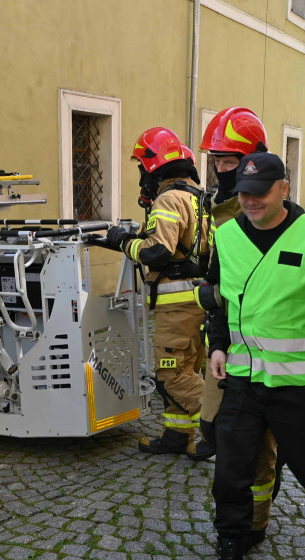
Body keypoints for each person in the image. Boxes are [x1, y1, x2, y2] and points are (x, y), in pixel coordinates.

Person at [190, 152, 305, 560]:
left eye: (260, 193)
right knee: (230, 475)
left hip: (296, 387)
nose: (250, 202)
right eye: (243, 194)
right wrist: (218, 346)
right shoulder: (226, 237)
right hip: (242, 383)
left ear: (284, 187)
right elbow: (217, 300)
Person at [193, 107, 279, 553]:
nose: (224, 170)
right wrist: (208, 289)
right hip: (225, 341)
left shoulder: (264, 209)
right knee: (212, 429)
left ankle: (256, 521)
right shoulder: (217, 209)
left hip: (265, 346)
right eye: (219, 161)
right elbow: (218, 270)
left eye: (232, 161)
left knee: (256, 443)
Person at [103, 127, 210, 457]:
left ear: (154, 167)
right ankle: (178, 436)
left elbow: (157, 252)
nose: (141, 178)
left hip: (177, 304)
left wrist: (123, 241)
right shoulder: (199, 197)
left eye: (141, 169)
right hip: (198, 299)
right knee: (188, 367)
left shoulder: (168, 199)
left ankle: (226, 423)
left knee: (170, 375)